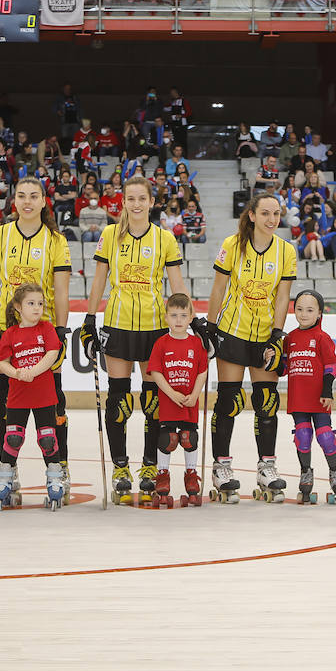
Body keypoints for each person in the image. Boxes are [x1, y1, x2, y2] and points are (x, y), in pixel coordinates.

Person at [80, 176, 187, 503]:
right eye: (131, 199)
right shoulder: (110, 235)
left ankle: (150, 466)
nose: (137, 204)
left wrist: (187, 323)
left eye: (142, 198)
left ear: (151, 202)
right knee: (120, 400)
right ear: (123, 202)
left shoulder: (165, 238)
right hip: (118, 323)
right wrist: (89, 318)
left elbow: (177, 284)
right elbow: (99, 280)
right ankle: (120, 467)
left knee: (153, 402)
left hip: (155, 327)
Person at [197, 194, 296, 502]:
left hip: (264, 334)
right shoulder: (232, 244)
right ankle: (221, 466)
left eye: (276, 213)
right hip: (232, 330)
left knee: (267, 402)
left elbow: (282, 298)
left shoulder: (286, 251)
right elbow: (219, 287)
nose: (271, 219)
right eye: (265, 213)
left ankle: (267, 466)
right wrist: (211, 328)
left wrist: (277, 336)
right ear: (252, 215)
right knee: (229, 399)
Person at [0, 176, 72, 470]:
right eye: (21, 196)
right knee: (5, 402)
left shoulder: (56, 240)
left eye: (34, 196)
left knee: (53, 402)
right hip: (8, 331)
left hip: (43, 333)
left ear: (44, 201)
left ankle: (60, 467)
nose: (27, 201)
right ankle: (9, 468)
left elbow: (62, 290)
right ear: (14, 201)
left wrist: (60, 330)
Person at [0, 282, 68, 510]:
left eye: (40, 304)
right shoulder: (10, 334)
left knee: (48, 439)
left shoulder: (46, 329)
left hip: (44, 395)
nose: (37, 308)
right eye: (31, 303)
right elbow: (2, 362)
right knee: (12, 438)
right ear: (18, 307)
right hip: (18, 396)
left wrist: (33, 372)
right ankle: (5, 478)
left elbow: (52, 354)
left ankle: (55, 478)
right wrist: (16, 373)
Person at [278, 289, 336, 504]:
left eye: (309, 310)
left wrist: (327, 390)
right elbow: (284, 368)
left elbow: (332, 366)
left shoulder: (322, 338)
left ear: (319, 313)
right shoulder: (290, 338)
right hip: (299, 399)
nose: (303, 314)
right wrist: (273, 359)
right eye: (299, 309)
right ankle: (305, 471)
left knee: (325, 436)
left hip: (319, 398)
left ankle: (335, 472)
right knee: (303, 435)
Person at [145, 293, 209, 507]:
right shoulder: (161, 343)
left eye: (183, 315)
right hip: (169, 403)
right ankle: (162, 475)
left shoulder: (196, 344)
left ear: (191, 317)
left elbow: (202, 371)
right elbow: (155, 372)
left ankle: (191, 476)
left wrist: (196, 393)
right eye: (174, 315)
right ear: (166, 317)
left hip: (190, 403)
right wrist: (171, 394)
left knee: (189, 438)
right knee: (168, 439)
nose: (179, 320)